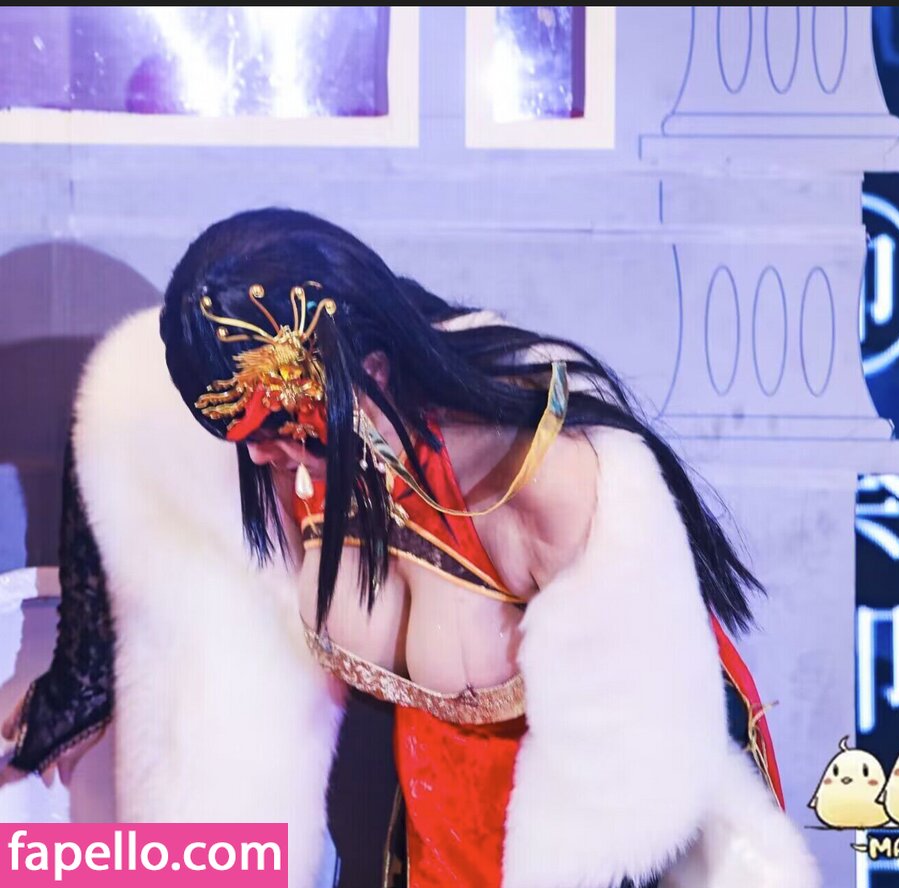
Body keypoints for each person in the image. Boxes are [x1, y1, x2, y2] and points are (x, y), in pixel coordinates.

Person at [1, 208, 815, 888]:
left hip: (605, 835)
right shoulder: (291, 449)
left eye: (280, 427)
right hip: (434, 839)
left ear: (376, 371)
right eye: (241, 437)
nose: (264, 457)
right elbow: (130, 423)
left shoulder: (548, 484)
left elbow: (636, 793)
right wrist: (79, 678)